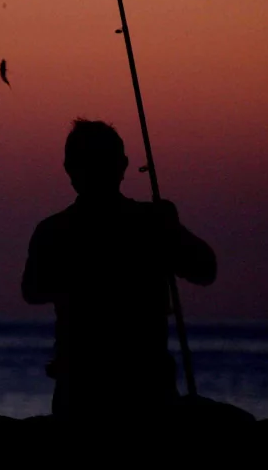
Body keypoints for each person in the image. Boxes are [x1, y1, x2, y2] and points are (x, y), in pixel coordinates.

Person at [22, 119, 216, 422]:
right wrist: (170, 229)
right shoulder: (150, 223)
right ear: (123, 165)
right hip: (146, 396)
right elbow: (206, 269)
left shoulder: (54, 230)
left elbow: (32, 290)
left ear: (69, 169)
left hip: (82, 396)